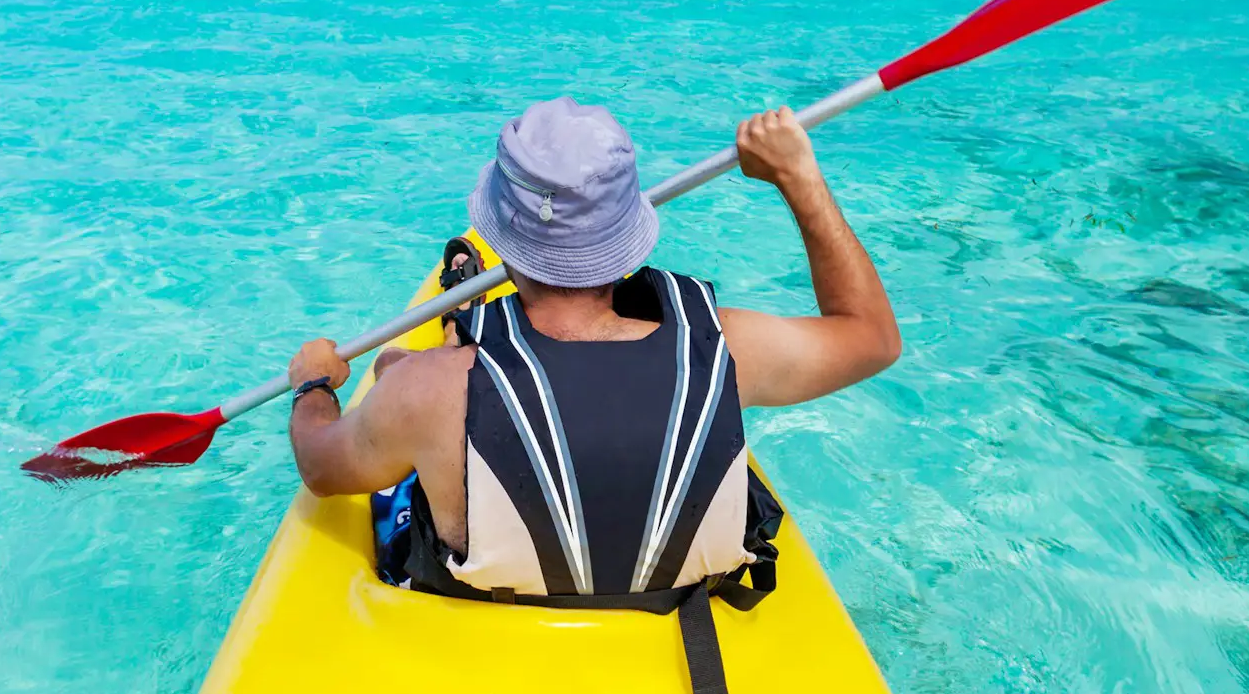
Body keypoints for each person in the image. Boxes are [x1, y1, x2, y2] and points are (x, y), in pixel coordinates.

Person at [286, 96, 900, 603]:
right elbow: (872, 338)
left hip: (483, 615)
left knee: (405, 373)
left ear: (505, 241)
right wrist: (799, 177)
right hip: (680, 627)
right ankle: (466, 330)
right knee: (426, 378)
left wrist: (313, 387)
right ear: (626, 237)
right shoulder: (732, 351)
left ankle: (465, 327)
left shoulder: (425, 392)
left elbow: (321, 469)